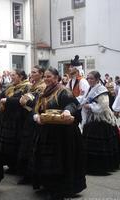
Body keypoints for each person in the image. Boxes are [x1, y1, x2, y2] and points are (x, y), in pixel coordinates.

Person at [32, 67, 86, 199]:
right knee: (47, 160)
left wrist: (67, 111)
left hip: (62, 134)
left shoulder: (63, 91)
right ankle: (48, 185)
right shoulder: (43, 91)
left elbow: (72, 104)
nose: (46, 79)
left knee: (60, 160)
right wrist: (36, 117)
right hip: (46, 131)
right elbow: (36, 108)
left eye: (49, 76)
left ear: (56, 78)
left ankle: (61, 188)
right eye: (45, 76)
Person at [82, 71, 120, 175]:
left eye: (91, 78)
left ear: (97, 79)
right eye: (88, 78)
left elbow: (104, 106)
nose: (89, 80)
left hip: (101, 119)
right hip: (91, 118)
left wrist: (90, 106)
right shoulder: (90, 88)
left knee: (101, 142)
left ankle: (102, 165)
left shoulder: (101, 90)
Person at [0, 69, 30, 174]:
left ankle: (17, 166)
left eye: (14, 75)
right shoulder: (10, 86)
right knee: (7, 144)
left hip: (18, 119)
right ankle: (11, 165)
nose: (11, 77)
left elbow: (23, 101)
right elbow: (0, 96)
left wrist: (7, 101)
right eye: (11, 75)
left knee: (16, 143)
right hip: (7, 118)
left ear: (20, 76)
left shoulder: (27, 86)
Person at [17, 65, 46, 185]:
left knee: (32, 145)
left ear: (41, 74)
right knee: (26, 145)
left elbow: (36, 102)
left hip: (35, 117)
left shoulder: (42, 86)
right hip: (28, 116)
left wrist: (26, 101)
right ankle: (27, 174)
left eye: (34, 72)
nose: (32, 74)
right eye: (31, 72)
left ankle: (31, 175)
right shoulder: (32, 85)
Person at [67, 55, 89, 123]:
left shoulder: (82, 81)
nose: (69, 69)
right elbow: (66, 93)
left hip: (81, 109)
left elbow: (83, 97)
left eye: (71, 67)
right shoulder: (70, 81)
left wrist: (72, 103)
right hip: (73, 108)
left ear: (76, 69)